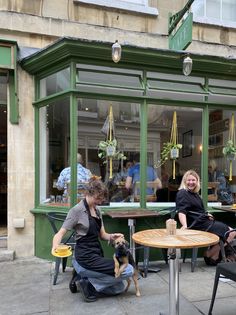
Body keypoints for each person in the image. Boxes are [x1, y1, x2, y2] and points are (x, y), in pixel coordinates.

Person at [51, 179, 134, 302]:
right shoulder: (76, 211)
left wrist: (112, 236)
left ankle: (85, 280)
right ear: (88, 194)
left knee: (118, 288)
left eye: (101, 199)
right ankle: (85, 279)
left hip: (96, 255)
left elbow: (102, 235)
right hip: (84, 257)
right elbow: (60, 233)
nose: (100, 201)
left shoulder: (97, 210)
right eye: (97, 198)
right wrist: (55, 246)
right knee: (128, 269)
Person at [176, 169, 236, 265]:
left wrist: (207, 214)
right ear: (184, 181)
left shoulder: (194, 194)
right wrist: (184, 225)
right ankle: (211, 254)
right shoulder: (183, 193)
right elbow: (181, 211)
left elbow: (198, 210)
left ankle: (214, 254)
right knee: (231, 232)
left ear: (197, 181)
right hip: (198, 224)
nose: (191, 182)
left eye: (193, 180)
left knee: (231, 232)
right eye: (189, 180)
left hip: (203, 221)